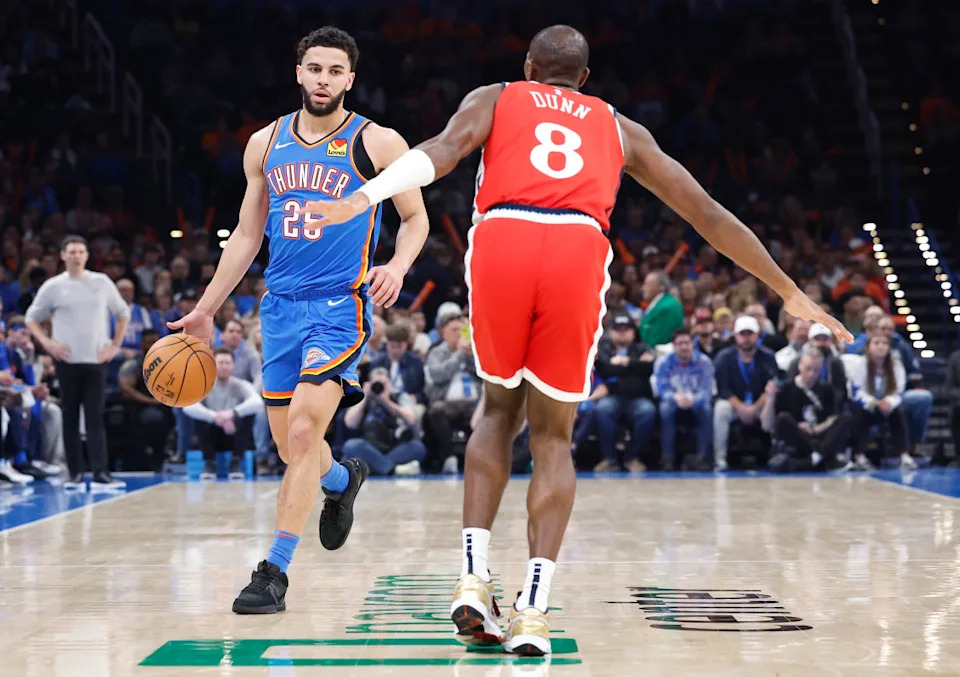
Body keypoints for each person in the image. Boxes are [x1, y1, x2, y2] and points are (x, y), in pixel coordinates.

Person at [306, 25, 847, 656]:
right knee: (553, 434)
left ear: (530, 66)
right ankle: (533, 610)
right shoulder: (620, 127)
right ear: (584, 80)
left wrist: (363, 196)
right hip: (575, 245)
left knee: (495, 412)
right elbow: (705, 212)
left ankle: (475, 578)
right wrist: (786, 290)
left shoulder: (497, 96)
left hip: (505, 238)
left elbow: (443, 151)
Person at [168, 27, 428, 614]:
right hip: (279, 309)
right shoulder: (265, 143)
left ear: (350, 79)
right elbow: (246, 237)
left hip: (340, 307)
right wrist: (207, 309)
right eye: (315, 68)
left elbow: (415, 219)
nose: (323, 79)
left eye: (335, 71)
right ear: (299, 72)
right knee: (294, 451)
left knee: (308, 434)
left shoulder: (379, 143)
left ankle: (273, 572)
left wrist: (399, 264)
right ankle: (342, 481)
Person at [25, 235, 129, 490]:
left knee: (94, 417)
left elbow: (123, 313)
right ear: (63, 255)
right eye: (71, 251)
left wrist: (115, 345)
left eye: (81, 251)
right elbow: (31, 317)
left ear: (86, 255)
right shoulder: (54, 286)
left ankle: (101, 472)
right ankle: (74, 473)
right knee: (70, 416)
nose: (76, 256)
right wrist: (47, 343)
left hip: (95, 359)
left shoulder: (101, 282)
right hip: (67, 359)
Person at [761, 346, 852, 472]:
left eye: (816, 370)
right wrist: (770, 399)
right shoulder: (786, 388)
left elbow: (832, 418)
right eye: (808, 369)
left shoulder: (826, 389)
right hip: (798, 437)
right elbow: (768, 426)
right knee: (783, 419)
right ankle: (821, 458)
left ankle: (815, 457)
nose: (812, 374)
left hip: (819, 436)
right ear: (800, 366)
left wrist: (816, 429)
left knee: (846, 418)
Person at [182, 348, 264, 476]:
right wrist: (215, 417)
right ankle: (209, 462)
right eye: (220, 363)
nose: (224, 366)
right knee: (197, 417)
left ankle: (236, 461)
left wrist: (232, 414)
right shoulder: (203, 385)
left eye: (227, 363)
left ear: (233, 365)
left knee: (249, 415)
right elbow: (187, 406)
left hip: (234, 434)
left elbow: (257, 402)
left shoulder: (241, 385)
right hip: (212, 434)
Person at [713, 316, 779, 471]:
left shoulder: (768, 357)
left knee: (775, 402)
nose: (746, 338)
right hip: (734, 404)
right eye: (742, 334)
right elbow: (723, 388)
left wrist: (755, 408)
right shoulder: (724, 357)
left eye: (750, 334)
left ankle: (777, 454)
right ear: (735, 336)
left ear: (757, 335)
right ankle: (719, 459)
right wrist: (742, 408)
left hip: (760, 403)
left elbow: (771, 385)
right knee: (720, 409)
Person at [593, 313, 657, 472]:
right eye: (618, 329)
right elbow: (605, 369)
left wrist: (624, 363)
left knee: (647, 411)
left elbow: (647, 370)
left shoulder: (642, 347)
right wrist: (634, 367)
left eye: (626, 329)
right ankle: (609, 459)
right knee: (602, 409)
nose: (622, 332)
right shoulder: (603, 348)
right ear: (611, 331)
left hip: (637, 397)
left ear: (633, 331)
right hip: (611, 397)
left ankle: (632, 458)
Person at [340, 366, 427, 475]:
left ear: (390, 383)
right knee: (351, 446)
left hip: (395, 446)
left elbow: (411, 419)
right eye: (376, 384)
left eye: (383, 384)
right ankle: (393, 469)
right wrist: (365, 395)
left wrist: (386, 401)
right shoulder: (365, 398)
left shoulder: (399, 396)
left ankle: (374, 467)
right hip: (369, 447)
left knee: (418, 447)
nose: (379, 388)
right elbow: (350, 423)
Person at [845, 334, 912, 470]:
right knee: (858, 411)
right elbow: (856, 390)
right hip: (867, 404)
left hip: (887, 406)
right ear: (868, 347)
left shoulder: (896, 365)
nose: (881, 346)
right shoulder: (860, 364)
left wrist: (888, 403)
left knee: (898, 413)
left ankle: (904, 455)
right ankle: (859, 455)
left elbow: (898, 391)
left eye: (884, 343)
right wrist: (873, 403)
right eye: (876, 343)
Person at [653, 328, 714, 470]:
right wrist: (675, 397)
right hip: (673, 399)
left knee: (706, 408)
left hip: (696, 399)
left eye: (687, 343)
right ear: (673, 346)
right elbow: (661, 388)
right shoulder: (663, 362)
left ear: (693, 344)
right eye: (679, 343)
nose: (684, 347)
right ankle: (667, 458)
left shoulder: (704, 362)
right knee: (665, 409)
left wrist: (693, 399)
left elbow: (707, 390)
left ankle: (703, 457)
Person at [639, 271, 684, 347]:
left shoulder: (667, 306)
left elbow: (659, 339)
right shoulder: (659, 303)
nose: (643, 288)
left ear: (661, 286)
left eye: (647, 284)